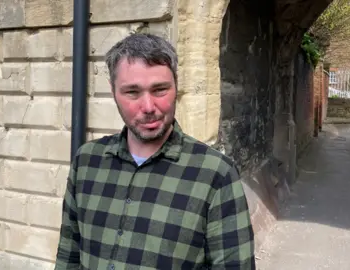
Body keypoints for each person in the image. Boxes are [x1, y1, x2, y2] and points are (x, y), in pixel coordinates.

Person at [55, 33, 255, 270]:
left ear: (176, 87)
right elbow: (69, 257)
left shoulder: (215, 174)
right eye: (132, 92)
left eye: (159, 89)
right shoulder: (87, 162)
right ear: (113, 92)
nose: (148, 107)